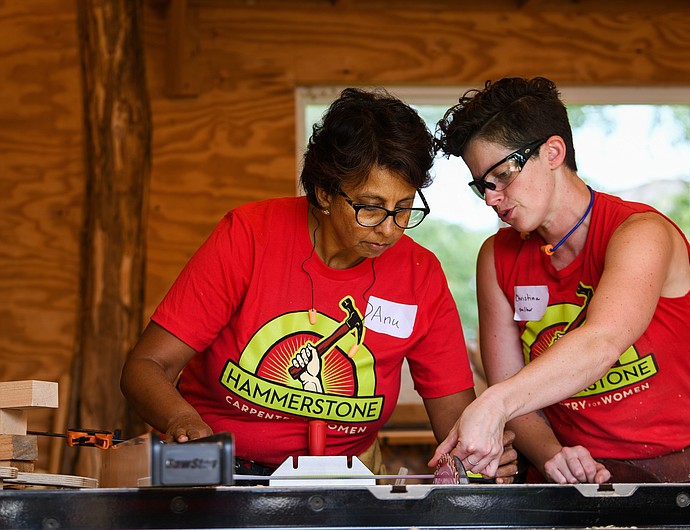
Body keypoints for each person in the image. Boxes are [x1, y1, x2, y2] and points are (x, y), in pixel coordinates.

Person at [121, 87, 517, 482]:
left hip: (347, 479)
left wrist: (478, 454)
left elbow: (453, 417)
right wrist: (183, 421)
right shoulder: (248, 238)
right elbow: (146, 366)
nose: (389, 229)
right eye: (370, 207)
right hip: (221, 474)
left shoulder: (419, 273)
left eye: (403, 209)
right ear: (325, 191)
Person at [428, 76, 690, 484]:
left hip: (681, 477)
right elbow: (513, 390)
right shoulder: (496, 257)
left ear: (553, 152)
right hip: (566, 485)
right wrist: (552, 454)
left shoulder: (640, 233)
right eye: (481, 185)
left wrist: (492, 404)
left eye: (501, 176)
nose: (491, 198)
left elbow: (601, 340)